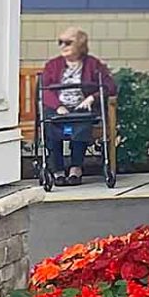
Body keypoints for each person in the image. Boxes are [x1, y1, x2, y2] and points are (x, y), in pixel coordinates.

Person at [38, 27, 116, 186]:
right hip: (59, 109)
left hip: (81, 108)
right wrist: (58, 106)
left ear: (80, 45)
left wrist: (92, 98)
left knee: (81, 124)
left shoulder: (93, 64)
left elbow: (109, 86)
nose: (63, 46)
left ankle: (76, 169)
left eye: (68, 42)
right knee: (51, 125)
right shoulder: (53, 65)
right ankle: (57, 170)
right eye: (60, 42)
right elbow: (43, 91)